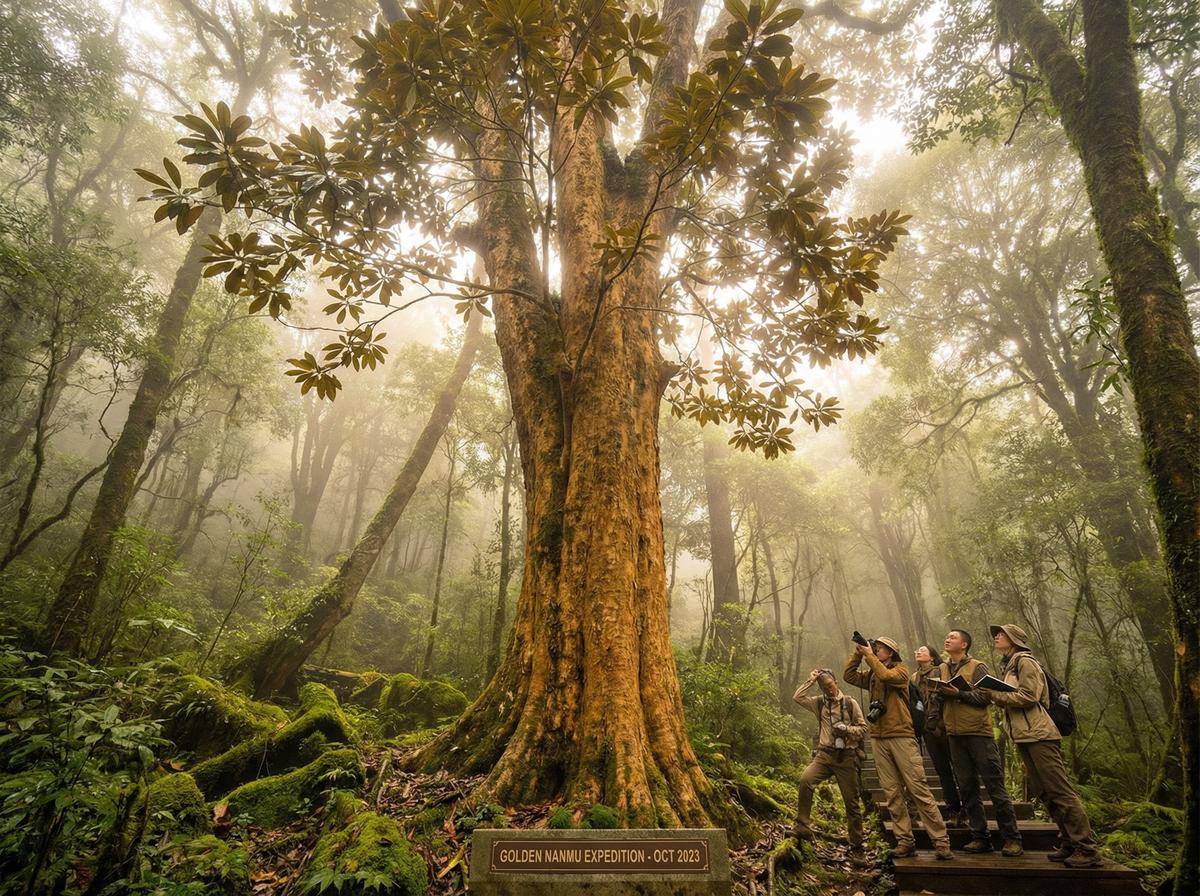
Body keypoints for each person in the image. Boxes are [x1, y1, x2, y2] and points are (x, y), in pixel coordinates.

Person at [985, 623, 1101, 868]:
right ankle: (1068, 841)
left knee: (1059, 790)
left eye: (1001, 634)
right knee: (1045, 792)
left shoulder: (1025, 662)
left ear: (1014, 639)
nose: (996, 637)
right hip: (1024, 735)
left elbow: (1029, 696)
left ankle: (1087, 848)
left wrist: (993, 694)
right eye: (996, 634)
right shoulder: (1009, 663)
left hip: (1040, 734)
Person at [845, 636, 954, 860]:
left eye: (880, 648)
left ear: (892, 652)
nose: (876, 650)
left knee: (918, 789)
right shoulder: (873, 674)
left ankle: (941, 841)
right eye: (875, 648)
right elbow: (849, 676)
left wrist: (868, 656)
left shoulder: (901, 672)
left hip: (902, 736)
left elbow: (886, 675)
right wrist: (859, 653)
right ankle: (905, 841)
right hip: (878, 737)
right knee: (892, 793)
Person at [935, 629, 1024, 856]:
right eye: (947, 636)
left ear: (964, 644)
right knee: (967, 788)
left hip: (979, 734)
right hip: (954, 735)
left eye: (953, 637)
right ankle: (979, 837)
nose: (947, 639)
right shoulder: (942, 669)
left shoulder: (977, 667)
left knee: (995, 786)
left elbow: (986, 699)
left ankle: (1012, 839)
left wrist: (958, 694)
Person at [792, 669, 870, 866]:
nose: (828, 689)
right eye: (823, 687)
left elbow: (863, 728)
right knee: (805, 781)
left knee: (851, 802)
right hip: (824, 755)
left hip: (846, 758)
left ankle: (857, 846)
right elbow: (798, 697)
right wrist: (810, 680)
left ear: (836, 682)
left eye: (829, 685)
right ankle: (802, 824)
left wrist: (847, 729)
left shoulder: (850, 703)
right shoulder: (818, 702)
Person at [910, 646, 964, 826]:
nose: (918, 652)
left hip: (946, 726)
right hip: (928, 730)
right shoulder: (914, 677)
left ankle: (968, 811)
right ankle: (953, 811)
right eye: (917, 651)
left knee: (959, 769)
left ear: (932, 656)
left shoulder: (941, 671)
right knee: (943, 772)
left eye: (922, 650)